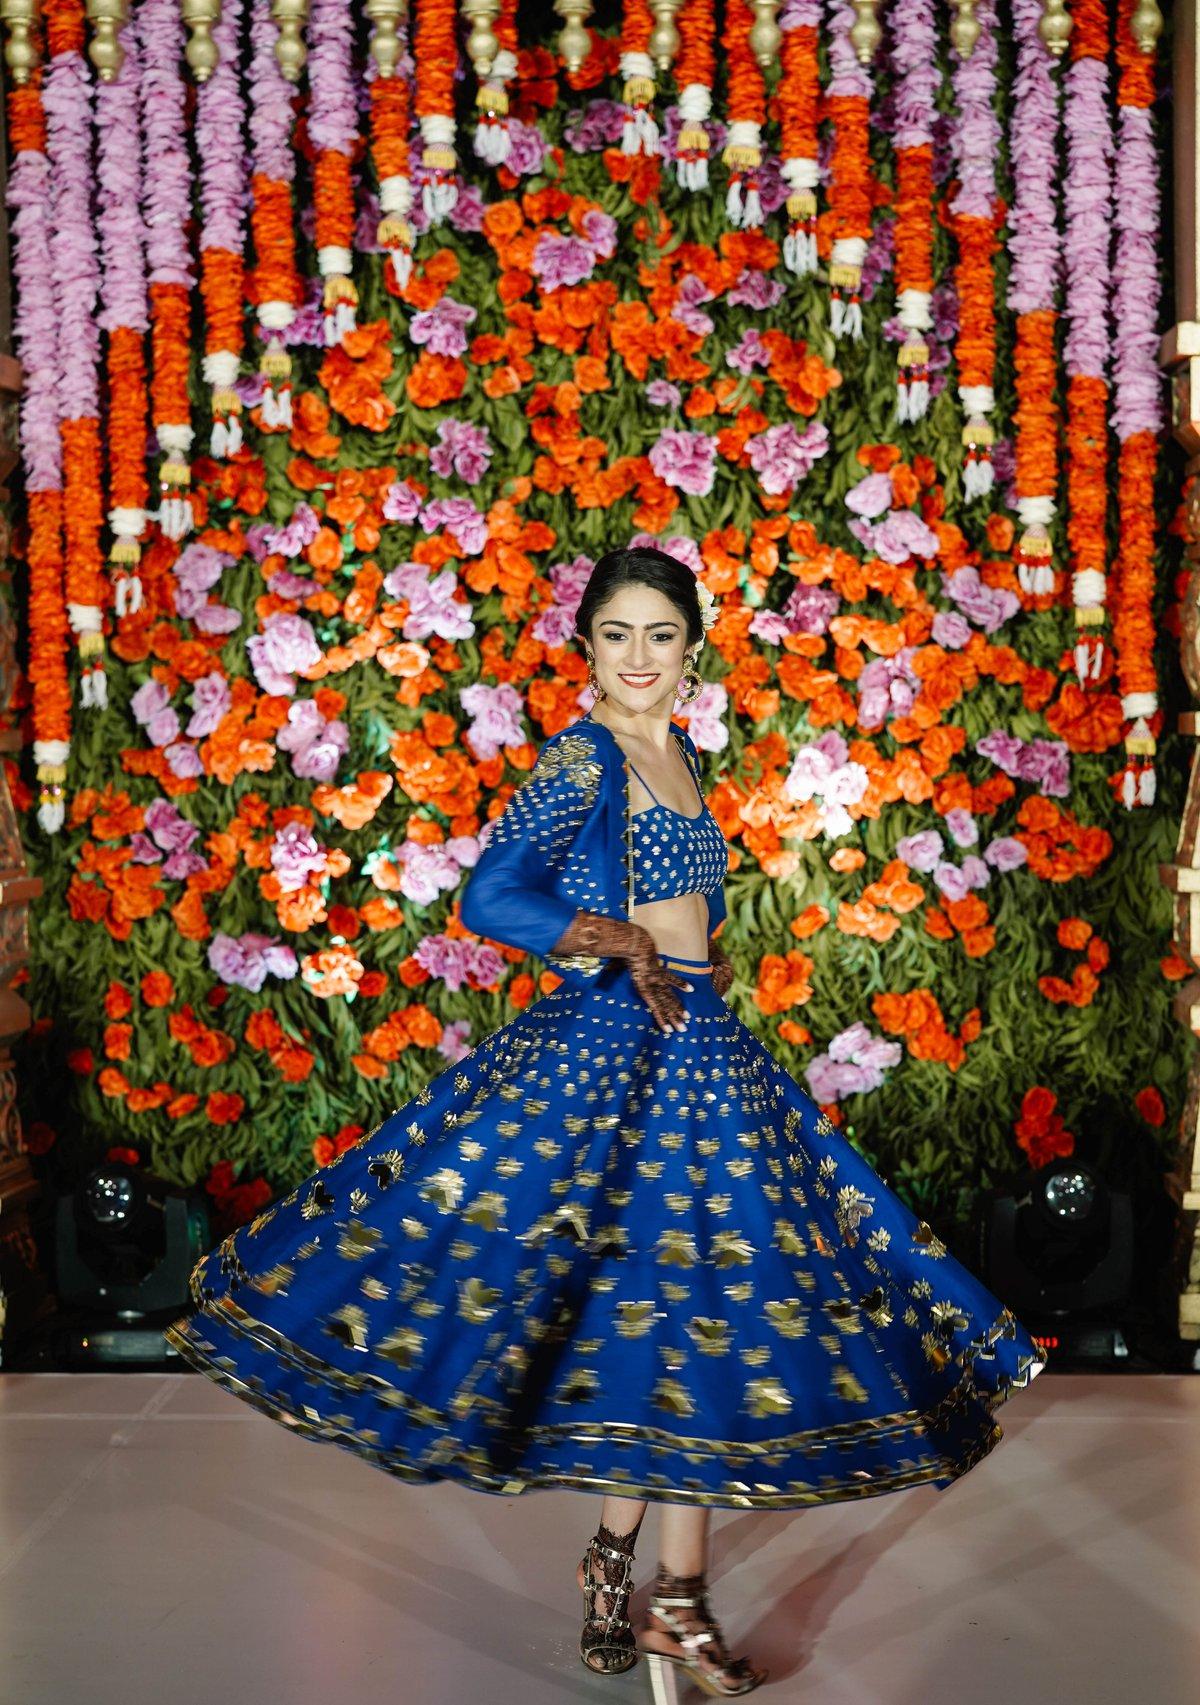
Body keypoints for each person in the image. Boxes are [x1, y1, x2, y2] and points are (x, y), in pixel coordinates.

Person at [165, 546, 1045, 1700]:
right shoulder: (584, 756)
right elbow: (491, 895)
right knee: (621, 1309)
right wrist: (616, 938)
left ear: (691, 650)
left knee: (703, 1311)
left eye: (660, 636)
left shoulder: (682, 753)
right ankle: (625, 1571)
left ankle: (665, 1594)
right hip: (608, 1062)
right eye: (617, 635)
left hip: (706, 1053)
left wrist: (693, 957)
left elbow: (694, 909)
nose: (639, 657)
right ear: (587, 648)